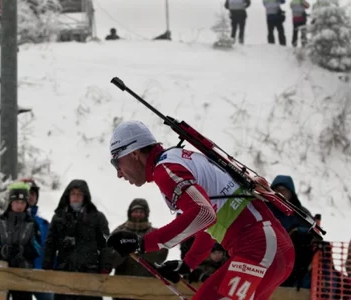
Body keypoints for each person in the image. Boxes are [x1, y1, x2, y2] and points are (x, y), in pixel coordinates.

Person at [106, 120, 295, 300]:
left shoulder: (166, 170)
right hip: (271, 250)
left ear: (134, 153)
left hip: (260, 249)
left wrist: (143, 243)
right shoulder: (176, 160)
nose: (118, 173)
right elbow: (209, 222)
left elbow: (203, 214)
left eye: (116, 162)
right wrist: (188, 265)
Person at [43, 179, 112, 300]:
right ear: (68, 195)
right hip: (64, 272)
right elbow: (50, 243)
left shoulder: (97, 217)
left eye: (79, 194)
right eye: (73, 193)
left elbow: (106, 244)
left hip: (89, 273)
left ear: (85, 197)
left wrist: (105, 267)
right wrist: (47, 264)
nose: (76, 197)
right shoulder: (58, 217)